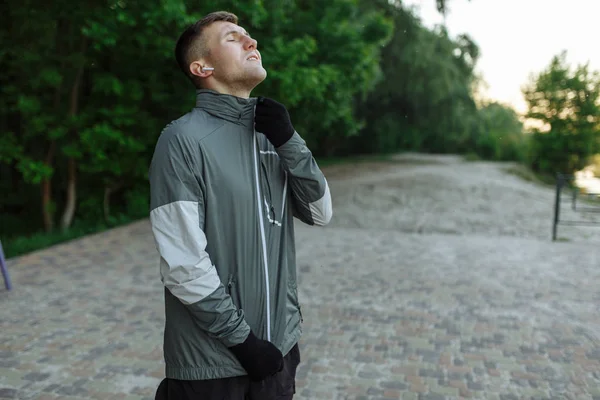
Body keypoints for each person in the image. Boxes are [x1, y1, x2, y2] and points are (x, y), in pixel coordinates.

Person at [148, 10, 333, 400]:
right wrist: (243, 342)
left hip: (279, 353)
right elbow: (183, 266)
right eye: (233, 38)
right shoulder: (182, 140)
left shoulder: (273, 135)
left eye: (249, 35)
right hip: (212, 366)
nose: (251, 42)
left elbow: (320, 212)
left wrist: (289, 139)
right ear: (202, 66)